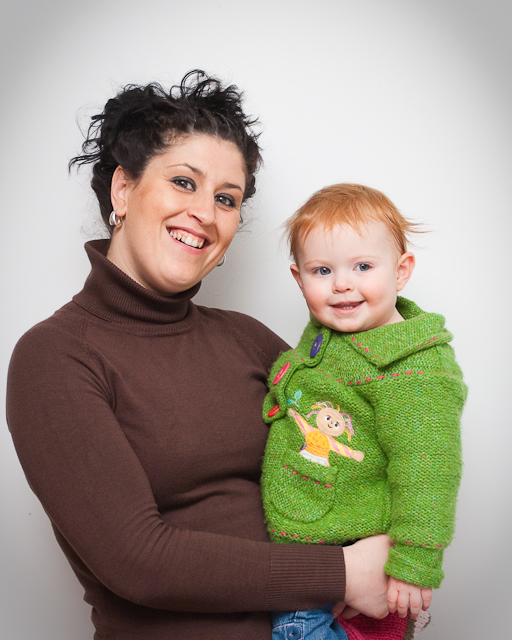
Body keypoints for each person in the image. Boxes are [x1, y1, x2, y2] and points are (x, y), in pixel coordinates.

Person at [6, 73, 391, 640]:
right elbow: (137, 559)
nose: (205, 213)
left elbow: (365, 440)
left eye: (226, 198)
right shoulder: (55, 357)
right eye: (184, 182)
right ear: (123, 190)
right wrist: (342, 573)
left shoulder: (247, 339)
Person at [261, 184, 467, 640]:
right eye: (322, 270)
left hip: (354, 550)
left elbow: (428, 469)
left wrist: (414, 562)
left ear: (401, 270)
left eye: (363, 266)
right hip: (312, 540)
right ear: (299, 278)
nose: (341, 284)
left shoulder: (413, 369)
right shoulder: (329, 331)